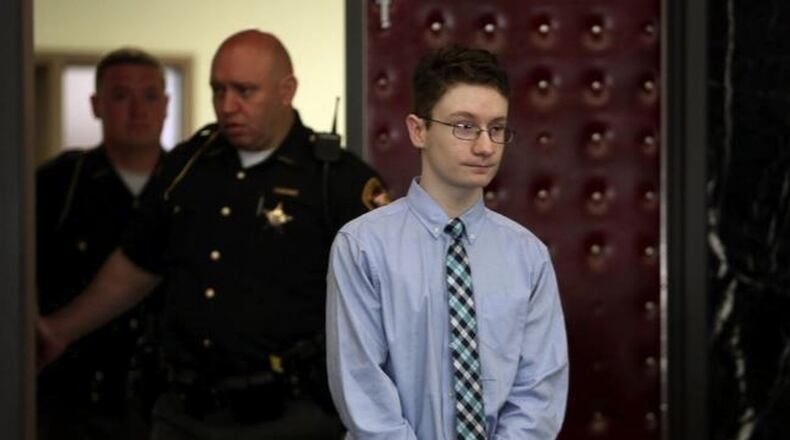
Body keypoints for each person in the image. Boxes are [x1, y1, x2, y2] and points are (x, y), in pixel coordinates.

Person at [37, 30, 388, 439]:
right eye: (217, 90)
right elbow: (138, 264)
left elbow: (382, 300)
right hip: (183, 414)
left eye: (244, 91)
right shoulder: (188, 165)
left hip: (292, 417)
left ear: (286, 90)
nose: (227, 106)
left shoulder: (338, 180)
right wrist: (58, 331)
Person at [326, 46, 569, 439]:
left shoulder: (528, 256)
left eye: (497, 128)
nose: (486, 146)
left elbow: (538, 395)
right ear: (418, 130)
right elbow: (363, 392)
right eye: (464, 126)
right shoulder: (362, 246)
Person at [36, 47, 168, 440]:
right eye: (121, 96)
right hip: (76, 396)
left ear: (166, 104)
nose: (138, 110)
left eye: (150, 96)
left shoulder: (188, 185)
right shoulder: (60, 183)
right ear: (96, 105)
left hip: (167, 402)